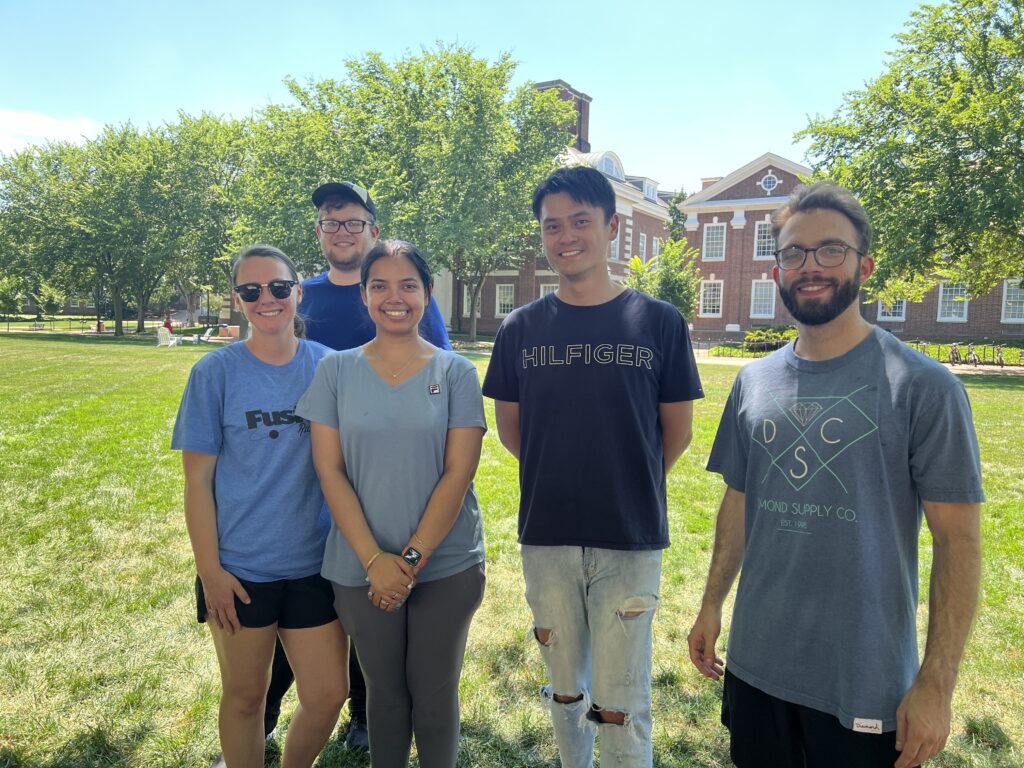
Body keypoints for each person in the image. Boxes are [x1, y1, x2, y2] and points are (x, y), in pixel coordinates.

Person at [687, 181, 983, 768]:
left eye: (830, 250)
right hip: (757, 667)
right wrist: (711, 604)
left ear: (864, 265)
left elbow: (958, 541)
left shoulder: (925, 388)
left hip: (862, 679)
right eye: (793, 252)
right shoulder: (754, 382)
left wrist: (937, 684)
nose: (810, 266)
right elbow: (740, 501)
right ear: (776, 271)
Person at [482, 165, 704, 768]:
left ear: (610, 227)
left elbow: (675, 433)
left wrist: (620, 475)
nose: (566, 236)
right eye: (552, 226)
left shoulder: (660, 323)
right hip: (547, 534)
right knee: (564, 692)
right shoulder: (521, 327)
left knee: (623, 699)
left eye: (581, 221)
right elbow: (511, 430)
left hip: (629, 536)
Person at [261, 180, 453, 750]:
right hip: (303, 487)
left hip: (378, 485)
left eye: (352, 222)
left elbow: (436, 377)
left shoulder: (398, 294)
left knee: (375, 605)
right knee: (300, 613)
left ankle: (366, 716)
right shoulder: (299, 297)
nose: (341, 231)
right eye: (329, 221)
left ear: (373, 228)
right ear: (318, 232)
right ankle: (263, 718)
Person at [296, 239, 486, 768]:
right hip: (359, 567)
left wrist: (407, 561)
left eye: (408, 285)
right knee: (383, 695)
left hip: (445, 565)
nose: (394, 297)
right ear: (364, 295)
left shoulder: (455, 372)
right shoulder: (335, 372)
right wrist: (374, 562)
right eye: (379, 285)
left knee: (433, 697)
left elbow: (458, 472)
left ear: (427, 294)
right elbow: (329, 470)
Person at [172, 245, 348, 768]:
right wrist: (211, 573)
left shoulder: (330, 367)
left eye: (277, 287)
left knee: (326, 696)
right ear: (237, 300)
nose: (265, 299)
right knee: (246, 697)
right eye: (251, 291)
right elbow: (197, 482)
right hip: (240, 571)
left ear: (298, 292)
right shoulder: (215, 373)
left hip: (315, 566)